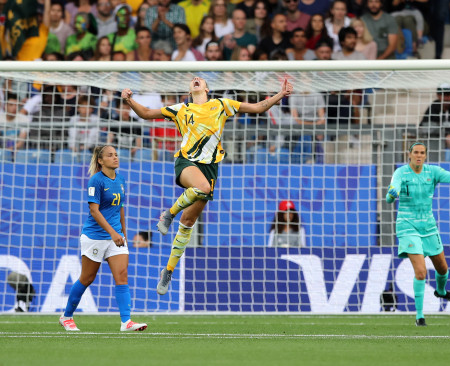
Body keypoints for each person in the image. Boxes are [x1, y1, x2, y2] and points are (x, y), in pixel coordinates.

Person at [121, 76, 293, 295]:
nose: (196, 79)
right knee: (202, 188)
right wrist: (129, 100)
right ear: (189, 89)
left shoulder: (222, 105)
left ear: (207, 88)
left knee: (189, 221)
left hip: (210, 168)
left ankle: (168, 271)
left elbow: (259, 107)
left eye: (200, 79)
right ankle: (168, 214)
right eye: (193, 79)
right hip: (187, 162)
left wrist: (280, 94)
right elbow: (146, 114)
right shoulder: (180, 109)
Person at [386, 142, 450, 326]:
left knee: (442, 269)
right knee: (421, 272)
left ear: (425, 155)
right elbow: (389, 197)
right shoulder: (400, 173)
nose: (419, 155)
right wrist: (392, 194)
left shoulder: (433, 172)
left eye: (422, 153)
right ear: (409, 154)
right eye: (416, 152)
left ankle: (440, 291)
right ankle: (420, 316)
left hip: (429, 228)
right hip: (407, 227)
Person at [59, 145, 147, 332]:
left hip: (116, 236)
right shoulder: (95, 181)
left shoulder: (121, 179)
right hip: (95, 237)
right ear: (100, 160)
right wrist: (113, 233)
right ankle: (67, 316)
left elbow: (120, 208)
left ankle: (126, 322)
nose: (115, 157)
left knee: (122, 276)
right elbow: (94, 211)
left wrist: (122, 232)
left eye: (116, 154)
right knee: (87, 278)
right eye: (110, 155)